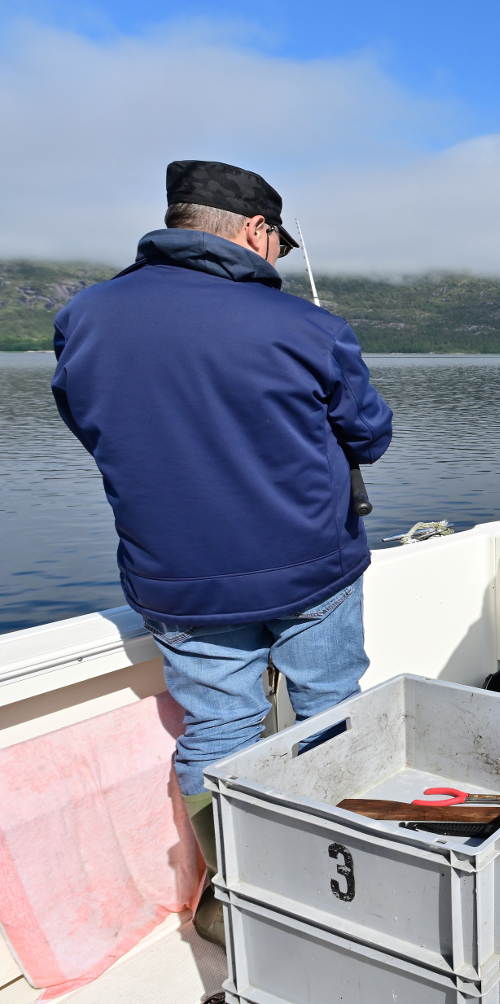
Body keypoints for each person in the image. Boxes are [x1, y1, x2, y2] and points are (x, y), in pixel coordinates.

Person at [51, 160, 393, 947]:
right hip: (314, 570)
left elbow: (89, 423)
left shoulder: (86, 317)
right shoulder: (308, 327)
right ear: (255, 232)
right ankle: (340, 875)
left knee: (216, 730)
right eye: (275, 244)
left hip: (177, 584)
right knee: (332, 711)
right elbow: (370, 435)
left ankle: (229, 894)